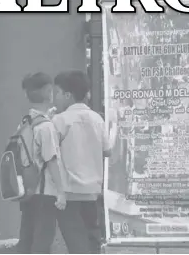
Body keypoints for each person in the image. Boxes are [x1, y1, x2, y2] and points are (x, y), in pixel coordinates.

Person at [53, 70, 111, 254]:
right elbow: (107, 151)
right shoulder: (97, 119)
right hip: (92, 193)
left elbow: (50, 153)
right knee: (92, 237)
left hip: (69, 193)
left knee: (75, 241)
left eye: (58, 93)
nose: (56, 98)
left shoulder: (59, 120)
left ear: (68, 95)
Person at [16, 72, 67, 254]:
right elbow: (51, 160)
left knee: (27, 239)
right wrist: (61, 192)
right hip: (45, 193)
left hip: (29, 191)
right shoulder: (46, 127)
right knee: (42, 241)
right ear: (48, 91)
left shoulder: (25, 122)